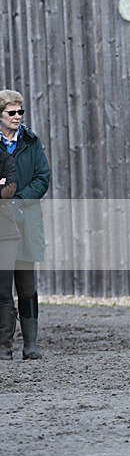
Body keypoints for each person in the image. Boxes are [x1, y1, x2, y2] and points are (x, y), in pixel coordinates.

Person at [0, 90, 51, 359]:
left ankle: (30, 344)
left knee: (27, 284)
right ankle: (4, 345)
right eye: (12, 112)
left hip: (27, 219)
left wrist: (20, 200)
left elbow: (42, 177)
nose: (18, 116)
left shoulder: (31, 141)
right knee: (2, 284)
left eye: (21, 111)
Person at [0, 146, 20, 359]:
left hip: (5, 233)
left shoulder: (6, 160)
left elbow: (9, 190)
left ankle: (4, 346)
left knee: (4, 291)